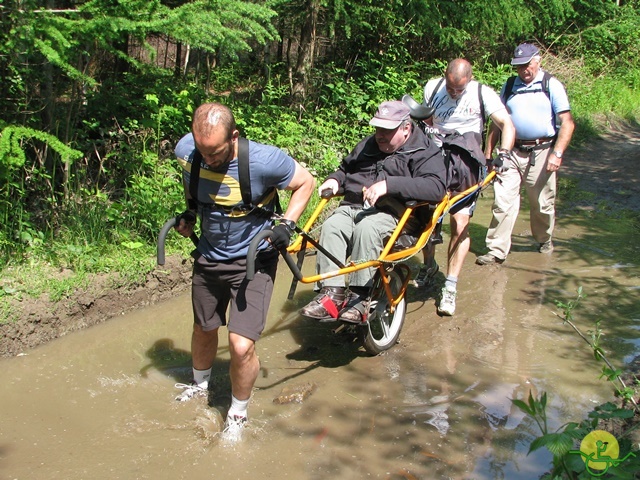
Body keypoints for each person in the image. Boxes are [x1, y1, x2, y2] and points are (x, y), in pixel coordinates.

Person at [172, 102, 315, 442]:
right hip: (209, 255)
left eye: (216, 153)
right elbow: (194, 184)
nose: (207, 159)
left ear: (234, 137)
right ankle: (200, 386)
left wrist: (287, 224)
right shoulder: (188, 152)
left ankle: (237, 413)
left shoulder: (264, 161)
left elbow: (306, 182)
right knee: (204, 328)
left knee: (239, 345)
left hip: (254, 259)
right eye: (202, 151)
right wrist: (190, 213)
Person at [300, 100, 447, 322]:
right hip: (355, 207)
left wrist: (389, 185)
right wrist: (334, 179)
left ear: (406, 128)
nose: (380, 135)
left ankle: (361, 296)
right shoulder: (369, 144)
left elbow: (436, 188)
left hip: (397, 216)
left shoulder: (425, 151)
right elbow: (345, 169)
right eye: (378, 128)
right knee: (332, 226)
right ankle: (332, 293)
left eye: (387, 130)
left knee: (368, 228)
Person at [415, 58, 516, 316]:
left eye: (459, 90)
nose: (454, 93)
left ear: (469, 80)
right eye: (451, 88)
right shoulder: (432, 88)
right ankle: (429, 266)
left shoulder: (483, 93)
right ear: (445, 77)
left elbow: (507, 124)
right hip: (434, 159)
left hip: (466, 162)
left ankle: (450, 286)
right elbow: (426, 120)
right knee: (427, 218)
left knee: (459, 223)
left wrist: (502, 153)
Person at [476, 44, 575, 266]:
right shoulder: (510, 85)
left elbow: (567, 123)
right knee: (503, 202)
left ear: (538, 61)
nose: (523, 71)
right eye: (519, 67)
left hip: (542, 151)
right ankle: (496, 250)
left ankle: (543, 239)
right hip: (510, 150)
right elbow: (497, 122)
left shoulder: (551, 85)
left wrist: (557, 154)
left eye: (527, 65)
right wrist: (489, 154)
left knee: (540, 203)